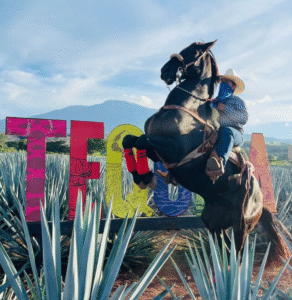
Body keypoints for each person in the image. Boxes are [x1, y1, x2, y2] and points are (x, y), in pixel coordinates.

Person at [206, 69, 248, 181]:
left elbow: (243, 118)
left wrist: (225, 109)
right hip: (216, 132)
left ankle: (218, 165)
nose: (223, 83)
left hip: (235, 133)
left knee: (226, 131)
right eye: (223, 81)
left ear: (234, 86)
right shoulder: (213, 102)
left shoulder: (237, 101)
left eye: (227, 81)